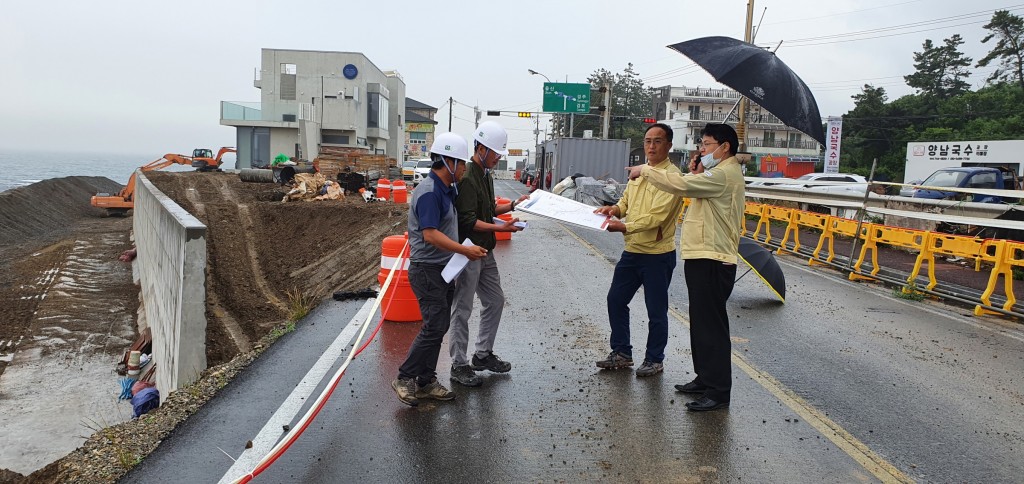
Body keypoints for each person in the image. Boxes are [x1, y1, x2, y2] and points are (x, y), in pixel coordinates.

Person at [625, 123, 745, 412]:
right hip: (702, 256)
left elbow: (681, 185)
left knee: (712, 327)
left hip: (713, 258)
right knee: (701, 324)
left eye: (706, 144)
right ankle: (705, 378)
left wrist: (646, 170)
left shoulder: (726, 174)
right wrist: (699, 170)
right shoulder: (715, 174)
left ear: (725, 146)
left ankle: (718, 391)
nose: (702, 149)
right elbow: (695, 184)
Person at [392, 133, 488, 407]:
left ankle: (426, 381)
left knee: (439, 325)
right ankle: (405, 377)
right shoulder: (430, 193)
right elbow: (431, 235)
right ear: (447, 162)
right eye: (460, 163)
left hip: (443, 269)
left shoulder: (448, 188)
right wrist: (465, 251)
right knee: (435, 326)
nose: (464, 169)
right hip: (427, 270)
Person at [593, 123, 685, 378]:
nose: (651, 146)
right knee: (616, 300)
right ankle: (622, 352)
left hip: (657, 254)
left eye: (657, 141)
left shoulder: (672, 178)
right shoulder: (638, 172)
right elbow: (627, 199)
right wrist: (614, 210)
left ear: (669, 145)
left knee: (656, 310)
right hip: (632, 252)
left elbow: (657, 217)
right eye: (647, 141)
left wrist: (624, 226)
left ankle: (655, 359)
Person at [447, 121, 529, 387]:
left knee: (494, 300)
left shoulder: (486, 175)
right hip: (470, 250)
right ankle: (459, 365)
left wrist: (515, 205)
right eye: (494, 152)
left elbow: (488, 211)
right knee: (463, 307)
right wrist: (500, 227)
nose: (497, 157)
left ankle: (482, 355)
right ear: (480, 148)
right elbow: (468, 221)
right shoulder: (469, 177)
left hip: (486, 251)